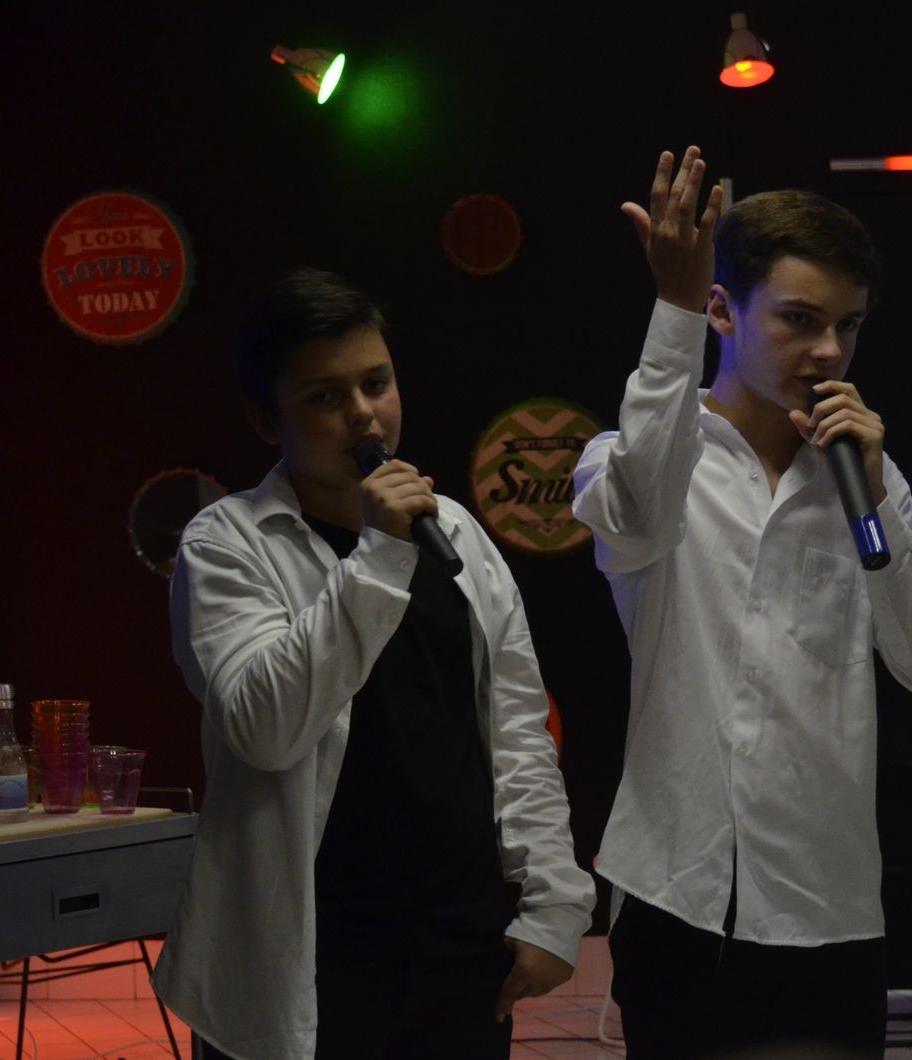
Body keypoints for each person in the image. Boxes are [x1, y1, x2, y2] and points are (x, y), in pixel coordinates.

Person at [570, 147, 912, 1058]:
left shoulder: (867, 478)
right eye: (798, 319)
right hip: (676, 890)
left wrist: (877, 496)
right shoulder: (634, 459)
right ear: (722, 310)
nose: (828, 351)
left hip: (826, 906)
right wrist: (670, 308)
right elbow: (636, 514)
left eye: (847, 325)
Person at [153, 268, 595, 1060]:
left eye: (376, 383)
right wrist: (380, 553)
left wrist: (554, 903)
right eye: (325, 397)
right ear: (266, 420)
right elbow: (264, 728)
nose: (363, 413)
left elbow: (516, 732)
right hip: (310, 957)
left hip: (459, 947)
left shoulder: (453, 529)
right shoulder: (226, 542)